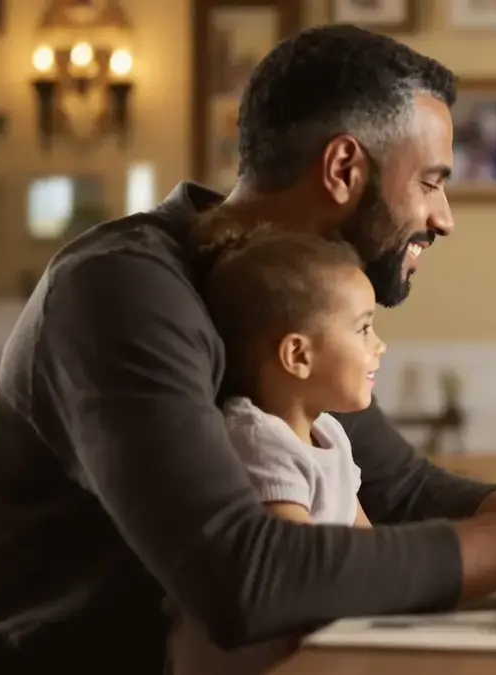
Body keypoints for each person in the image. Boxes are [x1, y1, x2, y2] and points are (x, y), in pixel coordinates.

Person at [0, 25, 496, 673]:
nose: (445, 218)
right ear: (344, 169)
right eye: (432, 182)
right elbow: (244, 577)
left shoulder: (276, 288)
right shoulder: (122, 289)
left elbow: (399, 490)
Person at [164, 215, 381, 674]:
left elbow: (371, 552)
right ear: (297, 356)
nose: (379, 346)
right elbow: (296, 569)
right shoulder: (258, 440)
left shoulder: (331, 435)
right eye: (364, 329)